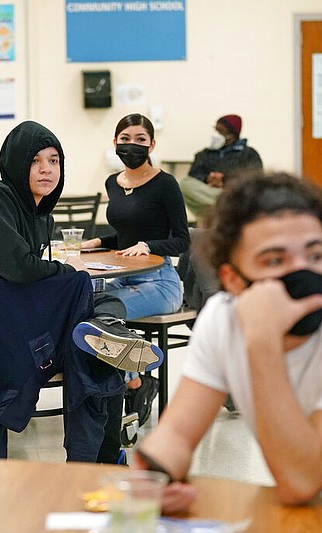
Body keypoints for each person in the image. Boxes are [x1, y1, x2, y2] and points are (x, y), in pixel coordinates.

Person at [135, 173, 322, 526]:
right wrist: (154, 476)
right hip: (301, 517)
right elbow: (178, 434)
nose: (302, 271)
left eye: (315, 254)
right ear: (231, 279)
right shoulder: (222, 317)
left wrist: (262, 343)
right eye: (275, 261)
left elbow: (301, 481)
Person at [0, 120, 163, 463]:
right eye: (36, 161)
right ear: (17, 163)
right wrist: (68, 274)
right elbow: (18, 269)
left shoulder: (39, 217)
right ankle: (97, 456)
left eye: (54, 161)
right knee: (82, 291)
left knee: (98, 356)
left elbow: (26, 280)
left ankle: (99, 459)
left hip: (10, 317)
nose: (47, 169)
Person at [81, 113, 191, 427]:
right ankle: (136, 380)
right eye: (125, 139)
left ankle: (131, 381)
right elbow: (127, 234)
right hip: (121, 276)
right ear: (115, 143)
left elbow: (181, 240)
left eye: (140, 140)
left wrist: (150, 246)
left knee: (102, 315)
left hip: (159, 282)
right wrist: (99, 241)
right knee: (84, 304)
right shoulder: (112, 183)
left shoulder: (165, 184)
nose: (132, 146)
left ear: (152, 144)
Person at [179, 114, 262, 221]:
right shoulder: (204, 154)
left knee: (249, 191)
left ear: (232, 133)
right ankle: (224, 208)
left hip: (233, 192)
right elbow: (194, 174)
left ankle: (222, 209)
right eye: (215, 130)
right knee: (185, 184)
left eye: (220, 131)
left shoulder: (249, 154)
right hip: (208, 193)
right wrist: (208, 178)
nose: (216, 134)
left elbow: (255, 178)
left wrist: (224, 180)